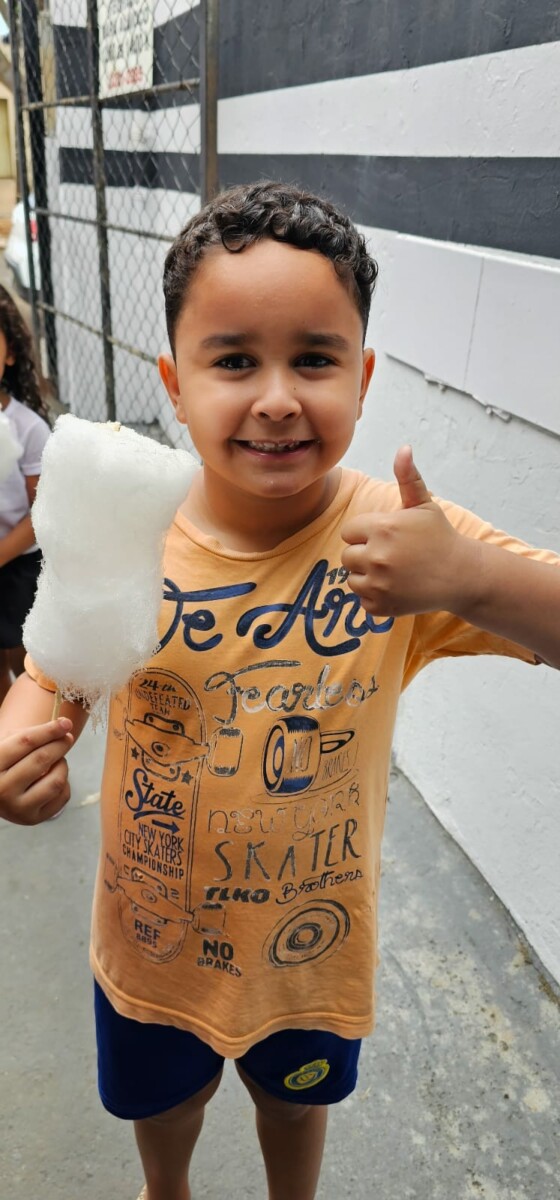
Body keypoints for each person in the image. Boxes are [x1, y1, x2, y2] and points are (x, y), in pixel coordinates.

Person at [0, 181, 559, 1200]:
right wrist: (19, 746)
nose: (273, 396)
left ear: (363, 373)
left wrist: (470, 579)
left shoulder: (397, 539)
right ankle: (163, 1191)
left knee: (295, 1105)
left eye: (312, 357)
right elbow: (51, 676)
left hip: (310, 954)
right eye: (231, 360)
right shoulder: (131, 529)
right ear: (172, 382)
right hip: (152, 944)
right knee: (160, 1109)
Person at [0, 285, 50, 705]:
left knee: (26, 661)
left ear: (10, 354)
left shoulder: (27, 429)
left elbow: (41, 512)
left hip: (17, 566)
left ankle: (41, 751)